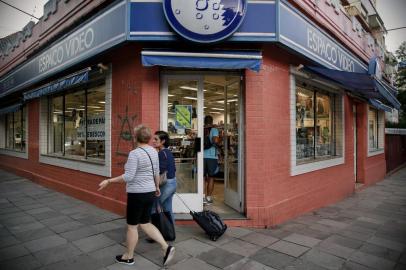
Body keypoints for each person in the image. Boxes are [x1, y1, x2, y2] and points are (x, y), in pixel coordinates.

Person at [98, 125, 175, 266]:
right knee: (145, 222)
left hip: (137, 195)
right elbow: (156, 172)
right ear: (148, 138)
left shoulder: (135, 154)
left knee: (132, 226)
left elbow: (128, 176)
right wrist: (157, 187)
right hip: (150, 192)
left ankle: (128, 256)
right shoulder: (153, 151)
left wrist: (109, 181)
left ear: (136, 138)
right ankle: (166, 247)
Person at [152, 131, 177, 223]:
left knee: (153, 207)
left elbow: (159, 171)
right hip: (173, 182)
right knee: (167, 209)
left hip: (167, 184)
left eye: (156, 139)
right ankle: (171, 232)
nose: (153, 141)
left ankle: (155, 233)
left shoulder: (161, 154)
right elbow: (173, 169)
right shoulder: (168, 152)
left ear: (163, 141)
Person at [203, 115, 219, 205]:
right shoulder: (214, 130)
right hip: (211, 157)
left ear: (204, 121)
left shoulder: (202, 129)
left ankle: (201, 197)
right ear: (212, 121)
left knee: (202, 177)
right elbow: (215, 141)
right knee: (211, 177)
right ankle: (208, 198)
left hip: (202, 156)